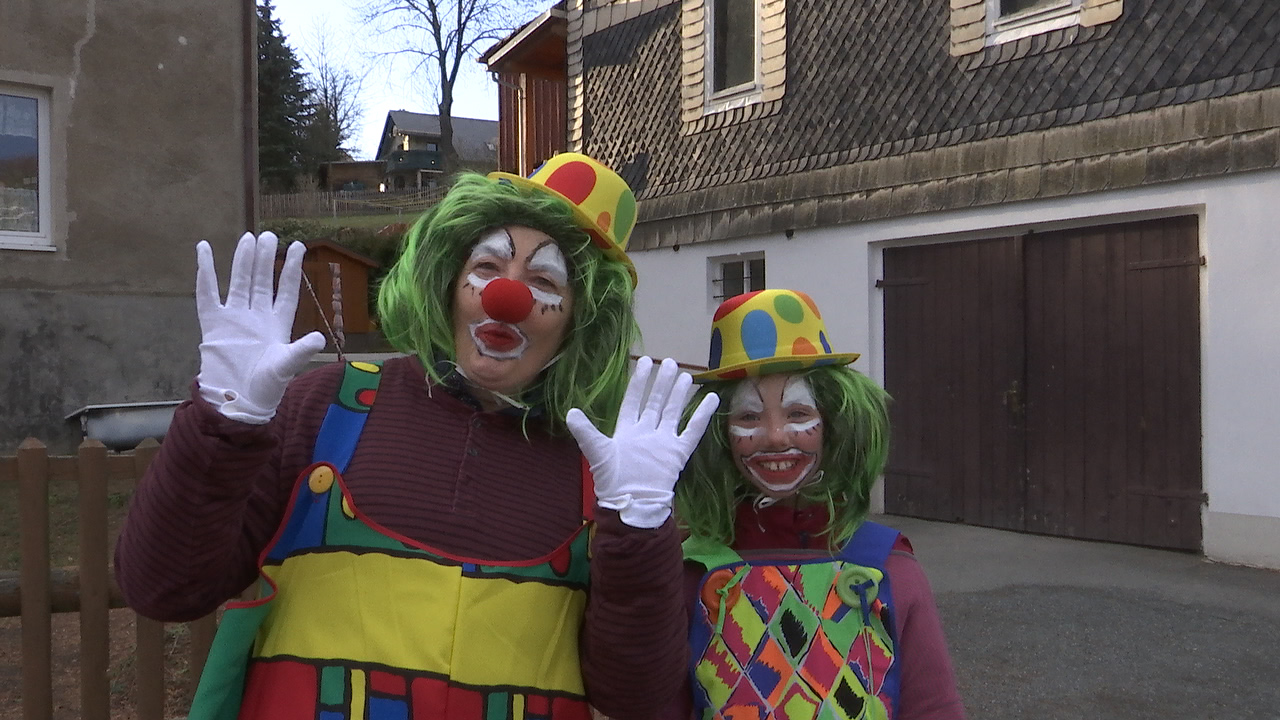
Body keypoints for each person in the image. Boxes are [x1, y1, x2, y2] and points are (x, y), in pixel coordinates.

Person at [114, 153, 719, 720]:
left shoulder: (600, 468)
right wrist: (223, 421)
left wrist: (638, 528)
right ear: (445, 282)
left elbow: (638, 699)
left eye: (544, 282)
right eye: (487, 266)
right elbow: (163, 588)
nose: (506, 297)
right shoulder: (325, 409)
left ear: (579, 320)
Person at [666, 289, 966, 720]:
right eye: (749, 417)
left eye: (798, 414)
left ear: (833, 422)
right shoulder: (690, 571)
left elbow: (934, 707)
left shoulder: (891, 567)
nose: (774, 436)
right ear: (718, 434)